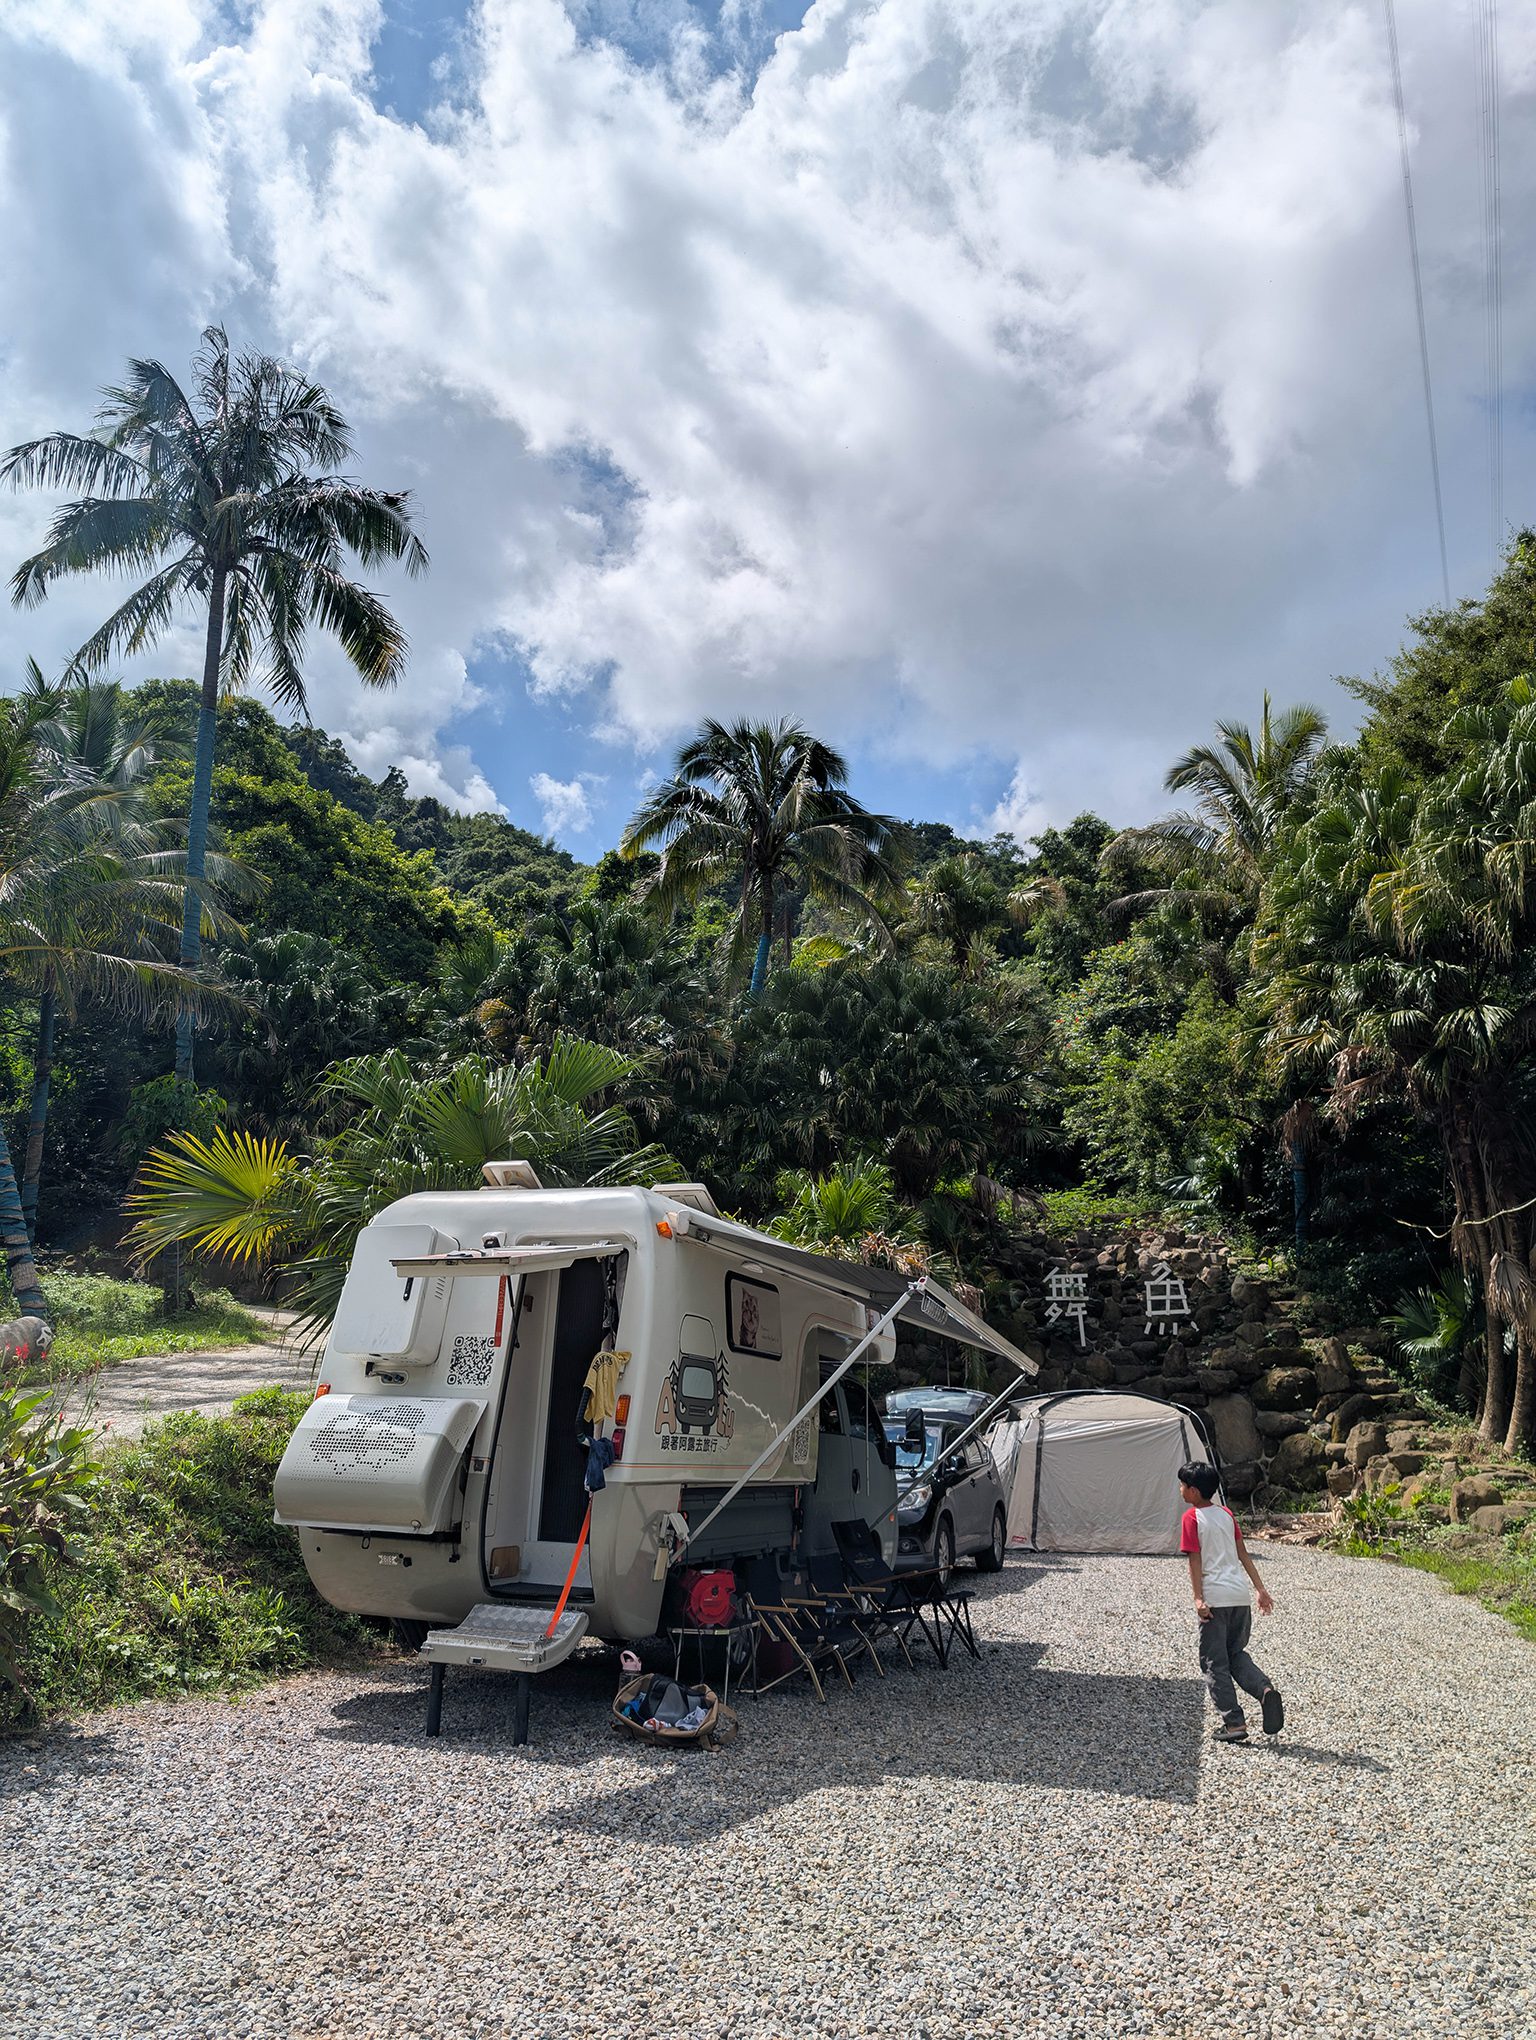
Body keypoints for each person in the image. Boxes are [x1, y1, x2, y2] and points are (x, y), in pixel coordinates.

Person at [1177, 1461, 1285, 1744]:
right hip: (1239, 1597)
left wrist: (1199, 1598)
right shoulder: (1226, 1514)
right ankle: (1264, 1690)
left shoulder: (1191, 1518)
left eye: (1183, 1486)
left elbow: (1195, 1560)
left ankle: (1234, 1723)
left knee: (1214, 1662)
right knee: (1235, 1653)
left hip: (1215, 1600)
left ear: (1194, 1491)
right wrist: (1260, 1589)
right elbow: (1243, 1554)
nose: (1180, 1490)